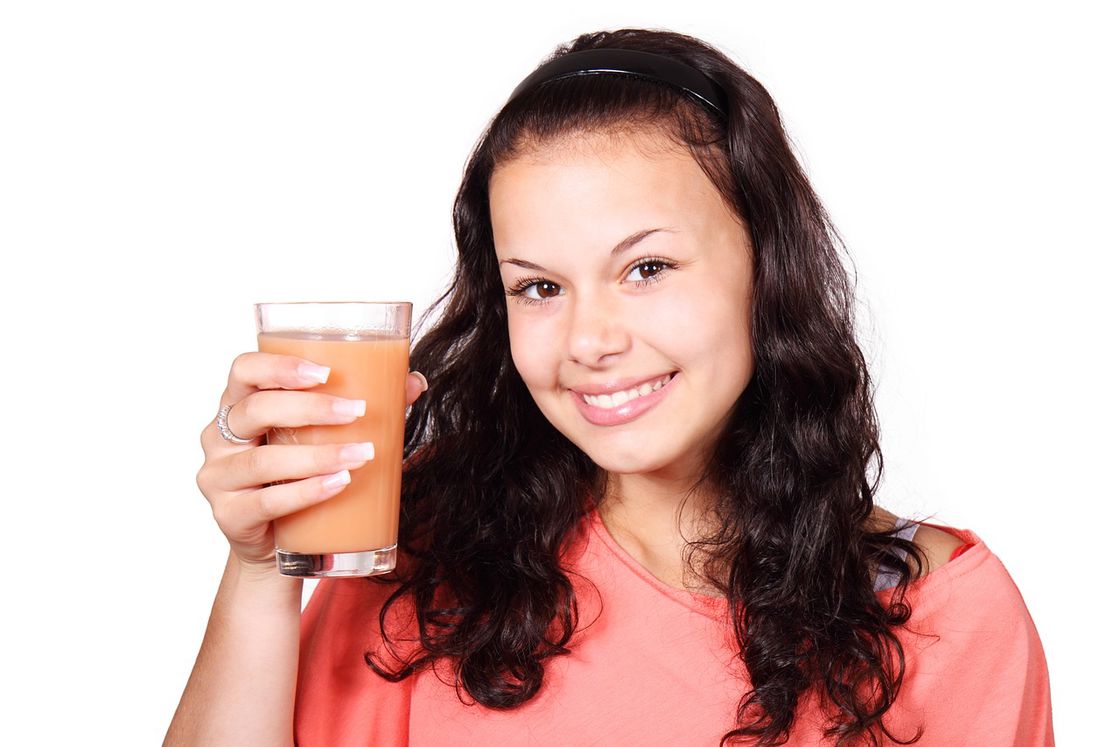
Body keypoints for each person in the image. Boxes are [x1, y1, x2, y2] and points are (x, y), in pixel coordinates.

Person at [166, 28, 1054, 746]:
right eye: (540, 287)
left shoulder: (944, 617)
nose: (590, 341)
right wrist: (258, 573)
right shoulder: (421, 559)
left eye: (647, 267)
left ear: (766, 266)